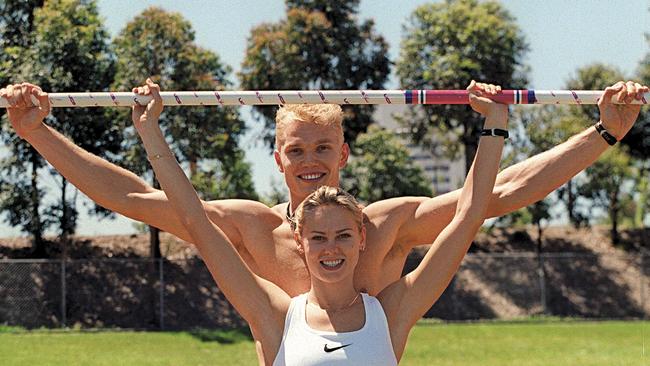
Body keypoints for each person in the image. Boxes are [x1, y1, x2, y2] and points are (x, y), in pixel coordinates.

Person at [0, 80, 647, 297]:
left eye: (321, 149)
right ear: (278, 157)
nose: (311, 162)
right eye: (297, 150)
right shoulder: (252, 227)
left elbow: (498, 192)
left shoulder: (387, 225)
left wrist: (605, 133)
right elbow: (133, 199)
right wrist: (38, 134)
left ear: (343, 153)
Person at [135, 79, 506, 364]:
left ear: (361, 238)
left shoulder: (390, 313)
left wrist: (494, 123)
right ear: (300, 242)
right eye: (318, 237)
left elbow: (470, 214)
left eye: (342, 235)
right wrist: (150, 130)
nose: (331, 248)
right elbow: (195, 219)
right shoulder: (275, 314)